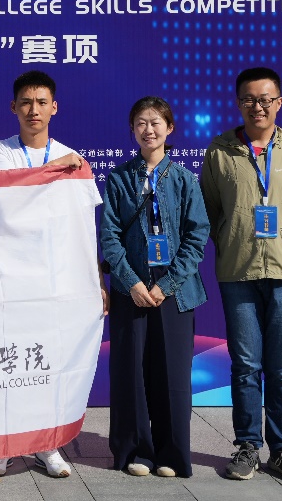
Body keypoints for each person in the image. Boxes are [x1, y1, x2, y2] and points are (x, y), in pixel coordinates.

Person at [200, 67, 282, 483]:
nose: (258, 106)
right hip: (238, 271)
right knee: (245, 365)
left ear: (279, 102)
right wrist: (230, 238)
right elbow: (210, 208)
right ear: (239, 104)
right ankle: (248, 447)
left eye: (266, 99)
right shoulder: (220, 150)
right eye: (250, 99)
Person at [0, 69, 99, 479]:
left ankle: (46, 445)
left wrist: (95, 280)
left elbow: (83, 226)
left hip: (54, 278)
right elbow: (11, 191)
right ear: (14, 107)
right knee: (8, 360)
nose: (34, 110)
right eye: (26, 103)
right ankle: (3, 445)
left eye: (42, 103)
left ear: (54, 108)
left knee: (48, 361)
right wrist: (56, 168)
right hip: (9, 275)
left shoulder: (72, 157)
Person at [99, 97, 209, 479]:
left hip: (174, 293)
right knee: (130, 373)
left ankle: (171, 453)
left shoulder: (184, 179)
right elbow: (109, 236)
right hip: (131, 291)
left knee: (172, 376)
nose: (149, 129)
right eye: (141, 123)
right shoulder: (119, 178)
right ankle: (136, 451)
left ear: (169, 128)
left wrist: (168, 283)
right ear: (132, 130)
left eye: (156, 122)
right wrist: (130, 282)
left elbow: (197, 236)